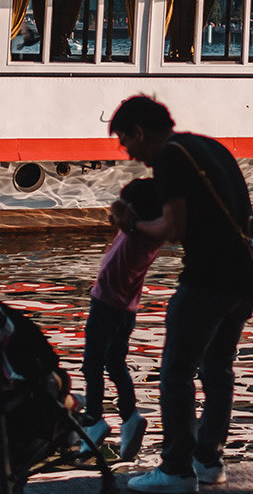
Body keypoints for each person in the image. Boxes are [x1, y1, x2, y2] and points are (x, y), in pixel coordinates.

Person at [109, 96, 253, 492]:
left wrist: (133, 225)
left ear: (139, 132)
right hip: (244, 278)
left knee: (176, 372)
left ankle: (175, 469)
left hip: (207, 279)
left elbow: (174, 227)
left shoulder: (170, 157)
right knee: (218, 370)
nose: (129, 152)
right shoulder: (206, 145)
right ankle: (209, 461)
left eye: (126, 141)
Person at [79, 176, 165, 459]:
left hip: (105, 305)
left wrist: (123, 210)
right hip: (126, 310)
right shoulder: (146, 234)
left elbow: (120, 216)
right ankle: (129, 416)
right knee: (115, 364)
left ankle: (94, 419)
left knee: (92, 364)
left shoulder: (135, 231)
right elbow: (119, 217)